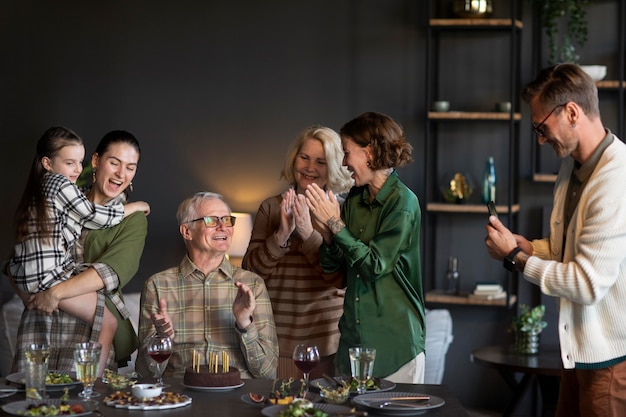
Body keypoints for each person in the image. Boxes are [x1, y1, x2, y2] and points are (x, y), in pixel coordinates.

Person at [485, 63, 626, 417]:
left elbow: (587, 283)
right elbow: (568, 250)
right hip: (576, 355)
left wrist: (517, 258)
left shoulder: (615, 180)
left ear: (572, 112)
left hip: (608, 362)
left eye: (542, 127)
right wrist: (529, 247)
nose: (541, 139)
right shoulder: (572, 165)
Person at [7, 127, 149, 373]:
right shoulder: (62, 199)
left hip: (88, 331)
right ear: (95, 161)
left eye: (130, 167)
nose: (120, 174)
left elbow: (110, 273)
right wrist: (32, 297)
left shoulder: (133, 218)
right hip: (41, 324)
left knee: (84, 403)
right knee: (31, 405)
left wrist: (53, 294)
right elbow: (17, 261)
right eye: (114, 162)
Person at [305, 111, 426, 383]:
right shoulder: (355, 200)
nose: (344, 163)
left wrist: (336, 224)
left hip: (396, 347)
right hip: (352, 344)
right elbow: (332, 267)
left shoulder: (403, 203)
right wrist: (327, 234)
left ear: (369, 152)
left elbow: (374, 266)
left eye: (347, 153)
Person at [242, 126, 353, 379]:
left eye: (321, 161)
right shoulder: (271, 207)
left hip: (326, 341)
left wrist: (307, 234)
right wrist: (281, 235)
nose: (309, 167)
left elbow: (338, 278)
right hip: (275, 340)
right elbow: (250, 274)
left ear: (334, 166)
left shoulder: (342, 212)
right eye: (304, 157)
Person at [136, 192, 278, 379]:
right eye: (211, 220)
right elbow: (145, 374)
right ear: (187, 231)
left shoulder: (252, 284)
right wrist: (162, 340)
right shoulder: (157, 285)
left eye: (227, 220)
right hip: (180, 395)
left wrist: (245, 324)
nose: (223, 227)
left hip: (237, 395)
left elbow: (268, 373)